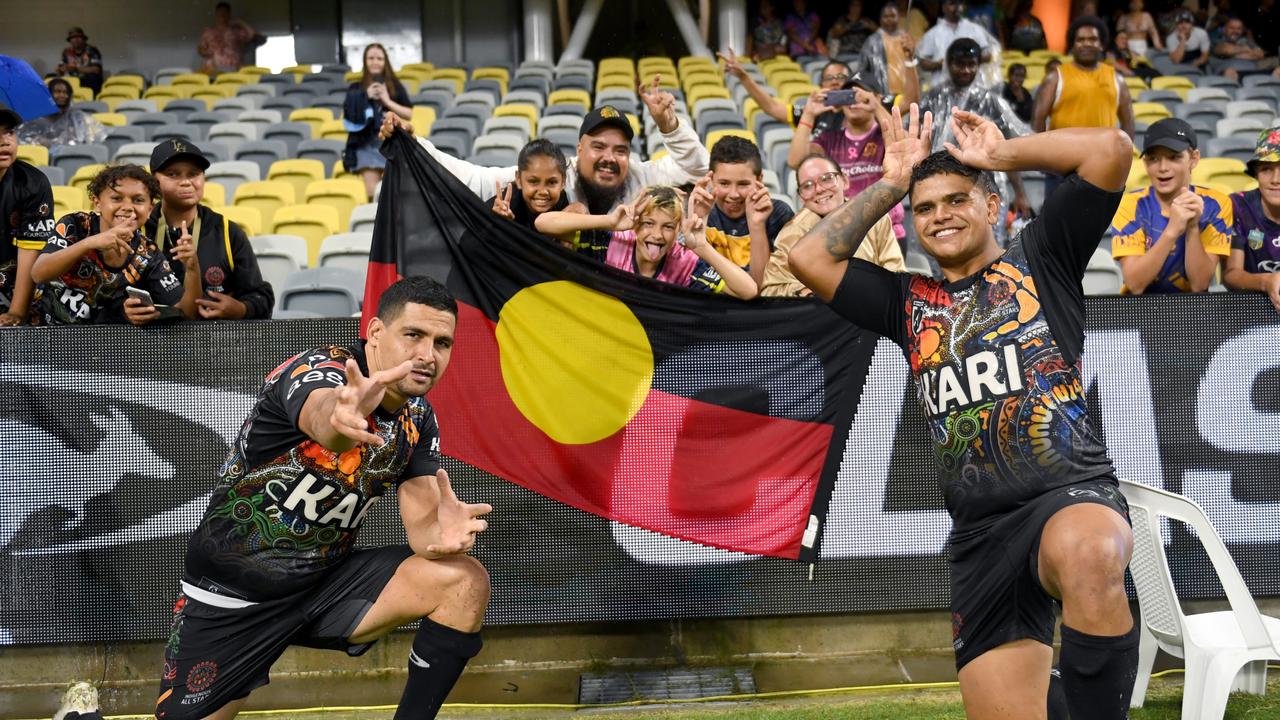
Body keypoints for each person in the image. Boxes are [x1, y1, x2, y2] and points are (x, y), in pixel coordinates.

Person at [790, 102, 1140, 720]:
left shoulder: (1042, 258)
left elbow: (1111, 149)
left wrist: (1003, 155)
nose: (940, 216)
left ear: (990, 204)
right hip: (980, 538)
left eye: (956, 199)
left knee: (1092, 555)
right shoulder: (906, 303)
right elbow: (810, 260)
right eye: (924, 208)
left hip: (1067, 497)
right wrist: (890, 185)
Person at [154, 276, 492, 720]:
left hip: (324, 588)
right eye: (414, 335)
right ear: (374, 332)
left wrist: (442, 534)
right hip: (233, 598)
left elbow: (422, 532)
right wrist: (341, 417)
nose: (428, 355)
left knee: (464, 580)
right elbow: (323, 416)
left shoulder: (419, 418)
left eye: (442, 343)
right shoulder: (316, 370)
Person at [382, 80, 709, 217]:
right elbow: (473, 177)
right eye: (598, 147)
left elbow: (696, 168)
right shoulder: (550, 177)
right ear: (579, 149)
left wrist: (669, 125)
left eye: (620, 150)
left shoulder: (642, 175)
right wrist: (414, 144)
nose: (610, 158)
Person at [30, 164, 201, 326]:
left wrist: (193, 269)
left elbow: (187, 313)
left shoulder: (148, 254)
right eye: (117, 198)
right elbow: (39, 273)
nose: (127, 207)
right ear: (97, 202)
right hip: (45, 333)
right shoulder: (76, 225)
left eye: (138, 200)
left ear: (150, 209)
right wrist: (88, 243)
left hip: (100, 346)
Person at [534, 184, 760, 299]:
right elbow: (543, 223)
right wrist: (609, 221)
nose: (657, 235)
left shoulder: (684, 262)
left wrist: (702, 247)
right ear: (635, 224)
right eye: (649, 223)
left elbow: (748, 290)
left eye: (668, 227)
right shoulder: (613, 241)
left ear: (678, 230)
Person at [143, 138, 275, 319]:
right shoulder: (139, 231)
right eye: (173, 174)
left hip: (215, 341)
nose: (186, 182)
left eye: (194, 174)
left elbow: (261, 297)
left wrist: (240, 309)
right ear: (154, 182)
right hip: (150, 342)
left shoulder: (228, 232)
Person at [1109, 118, 1233, 294]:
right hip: (1139, 313)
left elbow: (1200, 285)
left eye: (1174, 157)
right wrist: (1172, 229)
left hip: (1192, 312)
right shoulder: (1131, 205)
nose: (1162, 168)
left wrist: (1192, 227)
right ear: (1145, 163)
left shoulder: (1216, 205)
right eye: (1153, 158)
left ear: (1194, 159)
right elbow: (1135, 284)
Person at [920, 38, 1033, 230]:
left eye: (971, 65)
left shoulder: (991, 102)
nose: (965, 70)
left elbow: (1006, 150)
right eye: (959, 65)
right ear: (948, 64)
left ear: (979, 65)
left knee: (987, 246)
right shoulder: (932, 98)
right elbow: (920, 144)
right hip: (941, 184)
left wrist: (1020, 193)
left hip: (985, 185)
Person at [762, 153, 904, 297]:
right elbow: (770, 288)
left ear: (845, 180)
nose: (819, 189)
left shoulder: (876, 218)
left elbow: (896, 272)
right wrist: (804, 291)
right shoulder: (792, 232)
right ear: (801, 197)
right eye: (807, 186)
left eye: (827, 179)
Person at [789, 77, 907, 241]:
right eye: (848, 96)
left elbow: (906, 151)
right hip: (843, 235)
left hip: (888, 232)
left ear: (876, 97)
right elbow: (796, 162)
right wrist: (808, 115)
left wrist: (877, 107)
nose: (854, 101)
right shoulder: (828, 139)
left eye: (861, 96)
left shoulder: (884, 135)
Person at [1035, 16, 1136, 199]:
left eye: (1092, 39)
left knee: (1095, 226)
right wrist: (1045, 158)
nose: (1086, 44)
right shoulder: (1056, 77)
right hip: (1061, 167)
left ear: (1101, 44)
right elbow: (1038, 117)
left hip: (1103, 167)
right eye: (1080, 39)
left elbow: (1128, 121)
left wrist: (1122, 160)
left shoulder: (1117, 79)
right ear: (1072, 45)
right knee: (1056, 225)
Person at [701, 135, 794, 284]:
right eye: (724, 183)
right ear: (711, 180)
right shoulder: (701, 216)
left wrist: (757, 225)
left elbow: (763, 285)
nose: (734, 194)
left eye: (743, 184)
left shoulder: (779, 213)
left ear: (760, 180)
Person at [717, 55, 863, 138]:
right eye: (829, 78)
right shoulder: (813, 112)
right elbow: (772, 107)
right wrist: (744, 77)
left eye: (841, 77)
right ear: (821, 85)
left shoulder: (864, 110)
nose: (835, 81)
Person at [0, 106, 55, 326]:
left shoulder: (32, 183)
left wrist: (17, 313)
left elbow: (30, 251)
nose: (4, 141)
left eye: (9, 132)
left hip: (17, 285)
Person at [344, 43, 414, 200]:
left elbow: (409, 113)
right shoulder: (355, 88)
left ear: (385, 62)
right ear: (365, 61)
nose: (375, 62)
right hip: (367, 145)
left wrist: (387, 101)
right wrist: (365, 96)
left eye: (379, 58)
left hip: (392, 143)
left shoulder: (395, 86)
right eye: (371, 58)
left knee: (395, 195)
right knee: (372, 193)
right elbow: (348, 117)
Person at [1225, 127, 1280, 311]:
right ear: (1256, 173)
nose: (1275, 179)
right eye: (1266, 169)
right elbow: (1231, 275)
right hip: (1249, 313)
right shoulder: (1239, 206)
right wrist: (1266, 281)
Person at [489, 138, 576, 234]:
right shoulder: (506, 204)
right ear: (519, 179)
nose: (543, 191)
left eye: (551, 182)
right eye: (533, 181)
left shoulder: (562, 202)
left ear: (563, 182)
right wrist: (498, 225)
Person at [917, 0, 993, 88]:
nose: (957, 7)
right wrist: (940, 64)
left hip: (973, 87)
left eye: (960, 3)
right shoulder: (932, 34)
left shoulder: (975, 29)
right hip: (942, 88)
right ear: (943, 8)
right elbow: (923, 63)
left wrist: (968, 61)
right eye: (952, 3)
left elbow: (987, 55)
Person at [858, 2, 922, 101]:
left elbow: (916, 65)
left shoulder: (906, 39)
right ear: (880, 19)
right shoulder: (872, 41)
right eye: (886, 16)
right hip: (882, 96)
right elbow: (863, 70)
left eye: (892, 16)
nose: (889, 20)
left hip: (906, 95)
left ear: (898, 17)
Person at [17, 77, 107, 149]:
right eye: (57, 92)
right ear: (49, 95)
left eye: (65, 92)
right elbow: (25, 141)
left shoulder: (77, 118)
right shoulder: (35, 118)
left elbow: (87, 141)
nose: (62, 95)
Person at [1210, 16, 1280, 83]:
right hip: (1228, 73)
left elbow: (1260, 54)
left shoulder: (1247, 41)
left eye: (1239, 29)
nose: (1235, 31)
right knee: (1229, 73)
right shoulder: (1216, 40)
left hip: (1254, 72)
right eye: (1232, 28)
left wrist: (1234, 54)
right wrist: (1246, 49)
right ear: (1224, 29)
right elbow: (1226, 50)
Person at [197, 2, 256, 75]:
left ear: (229, 14)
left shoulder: (236, 32)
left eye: (225, 12)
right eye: (220, 12)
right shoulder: (208, 32)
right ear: (216, 13)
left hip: (233, 69)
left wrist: (239, 22)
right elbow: (200, 49)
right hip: (213, 69)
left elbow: (252, 34)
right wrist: (206, 52)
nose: (222, 14)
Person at [56, 27, 102, 95]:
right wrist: (60, 70)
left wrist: (75, 69)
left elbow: (96, 69)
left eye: (78, 37)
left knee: (92, 78)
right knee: (51, 77)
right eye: (73, 38)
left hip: (88, 81)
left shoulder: (92, 50)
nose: (76, 40)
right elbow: (61, 69)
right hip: (73, 80)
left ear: (84, 39)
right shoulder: (66, 52)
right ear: (70, 40)